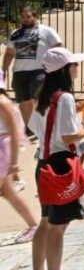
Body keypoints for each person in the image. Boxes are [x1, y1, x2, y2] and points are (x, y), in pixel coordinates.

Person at [28, 48, 84, 270]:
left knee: (45, 223)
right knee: (58, 226)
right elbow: (67, 136)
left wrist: (69, 114)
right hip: (61, 167)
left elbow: (40, 128)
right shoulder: (64, 98)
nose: (77, 68)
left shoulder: (42, 97)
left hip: (43, 164)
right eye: (73, 65)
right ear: (65, 70)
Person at [3, 7, 63, 137]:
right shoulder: (15, 34)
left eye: (28, 16)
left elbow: (58, 46)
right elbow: (9, 53)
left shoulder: (46, 31)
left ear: (35, 17)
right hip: (19, 72)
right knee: (23, 102)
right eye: (23, 17)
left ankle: (41, 125)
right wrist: (3, 70)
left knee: (34, 99)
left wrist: (53, 64)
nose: (25, 19)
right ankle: (29, 127)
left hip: (39, 70)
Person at [0, 74, 37, 244]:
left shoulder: (3, 103)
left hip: (3, 149)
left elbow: (14, 132)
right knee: (8, 192)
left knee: (7, 192)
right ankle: (33, 225)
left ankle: (34, 226)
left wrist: (14, 162)